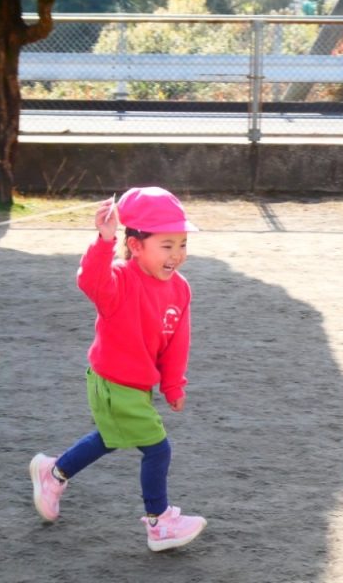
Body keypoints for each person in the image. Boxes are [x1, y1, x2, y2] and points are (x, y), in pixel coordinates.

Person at [29, 186, 207, 552]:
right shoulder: (120, 281)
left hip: (138, 385)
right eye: (167, 245)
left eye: (182, 244)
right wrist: (104, 239)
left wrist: (173, 385)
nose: (177, 254)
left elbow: (177, 343)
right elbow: (90, 280)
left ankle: (54, 473)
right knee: (157, 449)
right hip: (112, 383)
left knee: (108, 439)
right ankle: (159, 523)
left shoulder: (181, 289)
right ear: (136, 245)